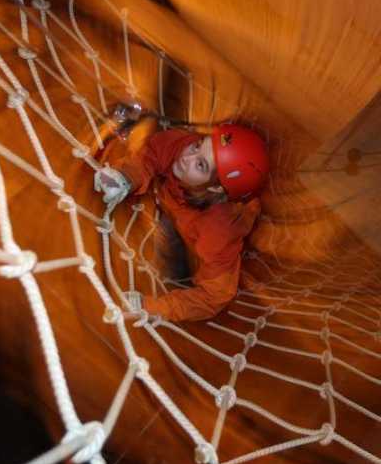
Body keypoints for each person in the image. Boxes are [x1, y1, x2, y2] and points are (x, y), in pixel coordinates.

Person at [95, 123, 269, 322]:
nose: (186, 157)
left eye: (201, 164)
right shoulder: (183, 145)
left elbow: (215, 296)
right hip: (174, 204)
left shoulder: (218, 231)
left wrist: (151, 307)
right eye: (197, 146)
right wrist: (126, 177)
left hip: (198, 232)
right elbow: (153, 152)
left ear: (215, 189)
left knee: (176, 262)